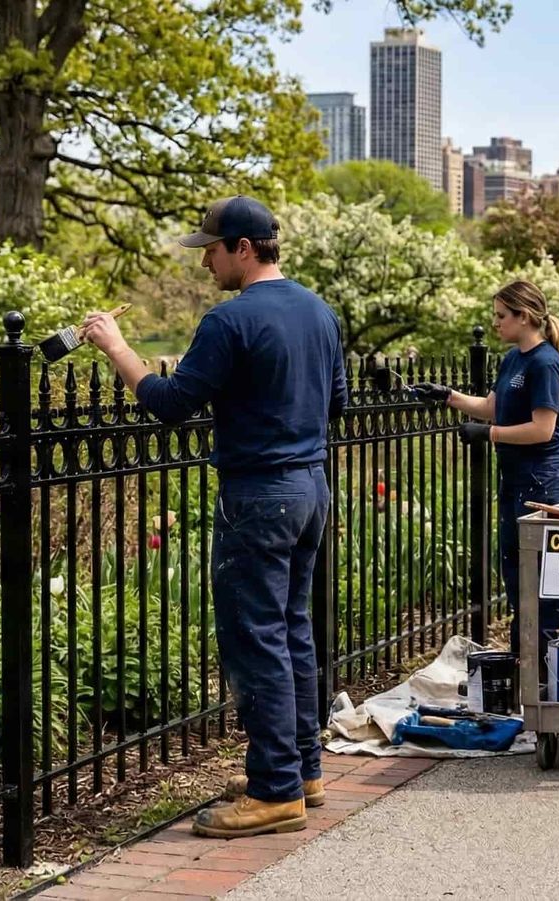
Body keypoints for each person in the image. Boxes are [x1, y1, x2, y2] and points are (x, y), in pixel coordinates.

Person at [81, 195, 347, 838]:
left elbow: (170, 403)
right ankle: (299, 770)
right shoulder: (321, 313)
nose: (206, 263)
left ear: (244, 249)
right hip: (311, 488)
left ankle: (276, 793)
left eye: (212, 250)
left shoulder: (230, 322)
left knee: (255, 640)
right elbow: (336, 402)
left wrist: (116, 347)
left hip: (257, 495)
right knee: (292, 632)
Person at [412, 280, 559, 662]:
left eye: (502, 316)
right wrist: (448, 396)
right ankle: (527, 672)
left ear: (524, 316)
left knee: (543, 583)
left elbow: (543, 429)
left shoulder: (545, 363)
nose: (496, 322)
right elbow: (492, 406)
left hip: (544, 485)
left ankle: (548, 674)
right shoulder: (514, 359)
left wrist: (489, 434)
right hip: (515, 481)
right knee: (518, 577)